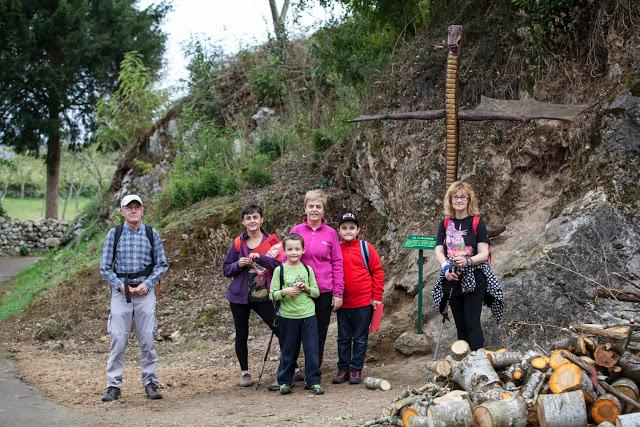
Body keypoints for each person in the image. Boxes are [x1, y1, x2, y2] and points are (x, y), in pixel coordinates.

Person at [99, 194, 169, 402]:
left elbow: (162, 264)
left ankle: (150, 382)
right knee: (118, 338)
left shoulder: (151, 233)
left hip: (145, 291)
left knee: (147, 338)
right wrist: (119, 285)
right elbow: (104, 267)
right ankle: (113, 385)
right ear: (122, 211)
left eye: (137, 207)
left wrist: (147, 284)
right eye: (129, 207)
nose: (133, 210)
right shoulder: (115, 233)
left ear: (142, 210)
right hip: (121, 292)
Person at [432, 181, 504, 351]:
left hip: (475, 276)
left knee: (472, 323)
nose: (459, 200)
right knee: (461, 325)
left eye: (462, 197)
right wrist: (445, 268)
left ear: (469, 199)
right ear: (450, 200)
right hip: (452, 276)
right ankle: (464, 364)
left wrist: (468, 261)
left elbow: (484, 253)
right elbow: (438, 249)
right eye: (455, 197)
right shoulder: (445, 223)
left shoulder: (477, 222)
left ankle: (479, 362)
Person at [222, 204, 283, 387]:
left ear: (261, 219)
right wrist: (238, 264)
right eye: (248, 218)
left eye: (255, 217)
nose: (252, 221)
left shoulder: (272, 242)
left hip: (264, 294)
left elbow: (281, 265)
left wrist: (262, 259)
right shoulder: (238, 243)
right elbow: (226, 269)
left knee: (281, 329)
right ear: (243, 222)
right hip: (240, 296)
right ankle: (245, 373)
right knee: (242, 333)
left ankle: (291, 366)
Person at [290, 189, 343, 371]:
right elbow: (286, 258)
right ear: (305, 208)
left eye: (318, 207)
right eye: (310, 206)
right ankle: (291, 370)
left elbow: (337, 263)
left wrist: (338, 293)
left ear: (323, 210)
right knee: (296, 331)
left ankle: (313, 371)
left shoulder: (330, 233)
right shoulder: (296, 231)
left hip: (324, 290)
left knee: (319, 332)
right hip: (300, 290)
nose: (314, 210)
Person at [333, 212, 384, 385]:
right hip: (342, 302)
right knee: (343, 338)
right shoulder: (336, 248)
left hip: (363, 302)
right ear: (339, 230)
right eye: (344, 228)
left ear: (358, 230)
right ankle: (343, 369)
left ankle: (356, 369)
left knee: (360, 338)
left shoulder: (365, 247)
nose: (348, 231)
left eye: (352, 228)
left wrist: (377, 296)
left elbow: (377, 271)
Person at [270, 233, 324, 395]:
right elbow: (272, 294)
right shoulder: (279, 271)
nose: (293, 252)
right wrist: (285, 291)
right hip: (288, 317)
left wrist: (306, 288)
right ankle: (285, 381)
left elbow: (316, 293)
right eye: (290, 249)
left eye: (297, 249)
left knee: (311, 350)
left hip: (308, 315)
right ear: (284, 251)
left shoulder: (308, 269)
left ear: (303, 250)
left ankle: (313, 381)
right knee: (288, 350)